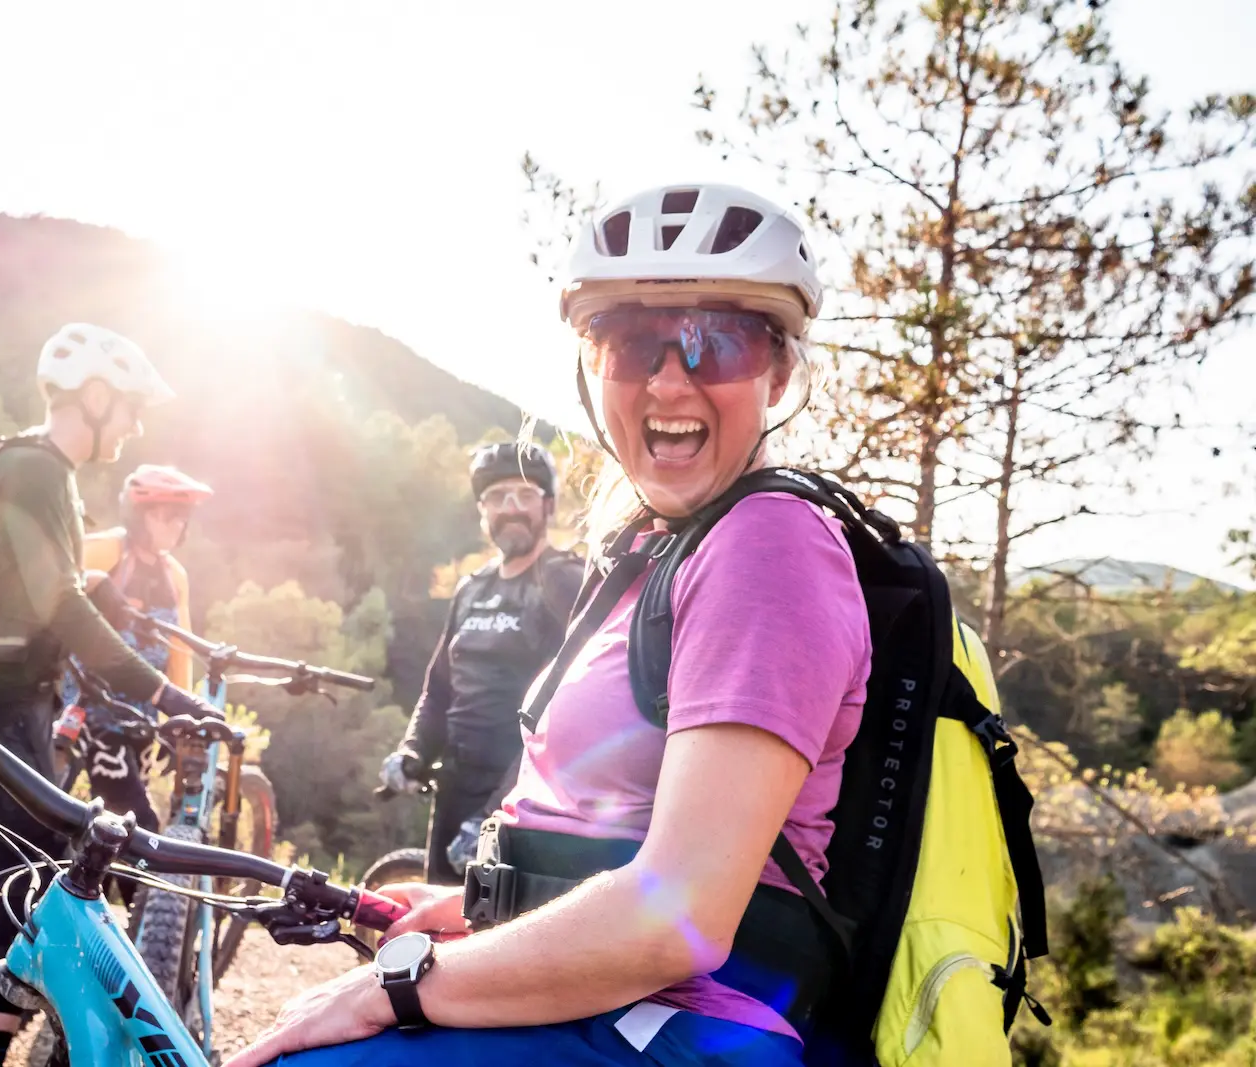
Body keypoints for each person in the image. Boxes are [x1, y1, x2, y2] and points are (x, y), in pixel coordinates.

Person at [227, 182, 871, 1067]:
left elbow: (669, 919)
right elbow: (604, 836)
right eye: (631, 343)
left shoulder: (767, 544)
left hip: (672, 1024)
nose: (670, 379)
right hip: (603, 1009)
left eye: (718, 341)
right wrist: (466, 906)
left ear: (780, 370)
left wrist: (398, 986)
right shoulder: (653, 548)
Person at [0, 324, 221, 1067]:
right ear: (94, 397)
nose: (133, 424)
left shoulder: (12, 462)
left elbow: (32, 588)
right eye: (128, 407)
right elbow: (60, 602)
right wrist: (164, 692)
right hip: (0, 705)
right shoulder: (40, 470)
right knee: (39, 878)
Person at [377, 442, 582, 884]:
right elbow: (439, 687)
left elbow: (570, 712)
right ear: (482, 511)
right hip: (454, 790)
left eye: (525, 495)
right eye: (497, 497)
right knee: (437, 934)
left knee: (494, 942)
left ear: (548, 506)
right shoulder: (472, 589)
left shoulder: (565, 582)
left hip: (523, 801)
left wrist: (498, 814)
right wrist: (413, 751)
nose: (511, 508)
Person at [55, 463, 212, 903]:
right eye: (165, 515)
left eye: (181, 518)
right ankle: (149, 940)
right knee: (136, 824)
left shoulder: (174, 575)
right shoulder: (105, 552)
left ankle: (112, 921)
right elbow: (55, 601)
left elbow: (179, 651)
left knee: (110, 828)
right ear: (138, 516)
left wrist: (181, 712)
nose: (175, 526)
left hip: (142, 711)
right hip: (85, 703)